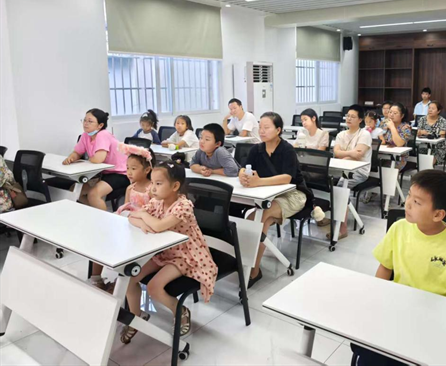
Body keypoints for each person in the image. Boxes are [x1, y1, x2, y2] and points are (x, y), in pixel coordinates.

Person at [353, 170, 446, 366]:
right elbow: (385, 268)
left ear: (438, 214)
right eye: (409, 195)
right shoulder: (399, 228)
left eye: (417, 202)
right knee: (367, 351)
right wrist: (376, 301)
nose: (407, 203)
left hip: (435, 323)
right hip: (398, 312)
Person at [123, 162, 217, 343]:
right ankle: (136, 317)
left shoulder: (184, 206)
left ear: (175, 186)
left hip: (186, 255)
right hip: (163, 251)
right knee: (129, 279)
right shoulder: (157, 202)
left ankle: (180, 310)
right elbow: (131, 216)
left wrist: (144, 217)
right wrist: (142, 221)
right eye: (152, 182)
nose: (152, 188)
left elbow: (158, 226)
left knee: (153, 287)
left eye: (158, 183)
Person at [239, 112, 313, 288]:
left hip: (294, 194)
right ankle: (251, 266)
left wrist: (258, 182)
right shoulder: (256, 149)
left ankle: (252, 268)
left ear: (278, 130)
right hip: (268, 194)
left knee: (257, 218)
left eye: (267, 128)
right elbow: (243, 168)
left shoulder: (287, 150)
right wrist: (242, 175)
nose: (262, 131)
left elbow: (287, 178)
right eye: (260, 127)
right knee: (259, 221)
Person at [63, 109, 129, 211]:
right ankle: (96, 212)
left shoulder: (103, 134)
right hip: (104, 172)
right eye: (85, 120)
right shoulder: (85, 135)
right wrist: (71, 158)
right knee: (75, 191)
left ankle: (104, 219)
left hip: (120, 173)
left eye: (90, 121)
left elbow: (98, 159)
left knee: (93, 194)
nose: (86, 123)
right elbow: (77, 152)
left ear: (100, 125)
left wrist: (87, 159)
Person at [331, 104, 372, 239]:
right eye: (347, 116)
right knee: (323, 182)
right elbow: (336, 153)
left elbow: (358, 155)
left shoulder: (364, 134)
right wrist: (350, 154)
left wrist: (343, 155)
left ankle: (342, 228)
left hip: (359, 171)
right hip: (341, 168)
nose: (349, 118)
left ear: (360, 120)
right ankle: (327, 217)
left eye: (352, 117)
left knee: (340, 188)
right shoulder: (341, 134)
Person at [115, 143, 154, 215]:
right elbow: (126, 208)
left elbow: (154, 211)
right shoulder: (130, 189)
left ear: (147, 170)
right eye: (127, 168)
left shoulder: (152, 189)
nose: (129, 172)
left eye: (133, 168)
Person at [380, 103, 412, 170]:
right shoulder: (384, 124)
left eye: (395, 113)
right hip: (383, 154)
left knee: (385, 169)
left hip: (398, 158)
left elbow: (399, 144)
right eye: (390, 112)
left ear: (402, 115)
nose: (391, 115)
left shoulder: (406, 128)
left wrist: (392, 127)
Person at [416, 101, 446, 165]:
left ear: (438, 111)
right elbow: (418, 132)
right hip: (424, 144)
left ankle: (429, 168)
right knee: (419, 159)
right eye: (429, 108)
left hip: (438, 146)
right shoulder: (422, 119)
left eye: (433, 108)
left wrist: (427, 133)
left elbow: (442, 135)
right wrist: (420, 132)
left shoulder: (442, 121)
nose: (430, 110)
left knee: (429, 162)